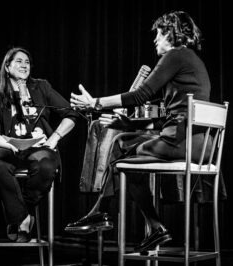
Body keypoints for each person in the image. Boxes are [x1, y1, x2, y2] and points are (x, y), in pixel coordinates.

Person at [65, 10, 219, 252]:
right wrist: (130, 125)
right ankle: (138, 222)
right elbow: (175, 115)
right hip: (202, 144)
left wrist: (95, 103)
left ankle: (114, 215)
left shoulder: (175, 55)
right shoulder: (191, 60)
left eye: (158, 34)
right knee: (124, 142)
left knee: (120, 156)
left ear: (170, 33)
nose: (155, 40)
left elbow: (140, 95)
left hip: (184, 142)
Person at [0, 47, 79, 242]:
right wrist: (10, 145)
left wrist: (55, 137)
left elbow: (72, 113)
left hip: (39, 148)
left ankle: (18, 213)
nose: (24, 65)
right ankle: (24, 217)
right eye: (18, 61)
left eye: (27, 62)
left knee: (46, 165)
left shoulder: (41, 87)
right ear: (7, 67)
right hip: (8, 147)